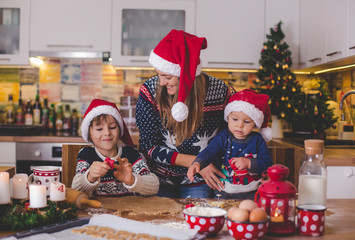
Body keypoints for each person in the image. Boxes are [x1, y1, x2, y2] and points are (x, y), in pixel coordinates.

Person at [135, 29, 234, 198]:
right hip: (158, 179)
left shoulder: (219, 92)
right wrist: (198, 163)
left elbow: (230, 137)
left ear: (185, 73)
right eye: (158, 75)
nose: (161, 82)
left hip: (199, 180)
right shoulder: (150, 90)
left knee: (195, 220)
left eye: (166, 76)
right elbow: (148, 146)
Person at [187, 89, 273, 199]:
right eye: (235, 119)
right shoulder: (223, 137)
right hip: (224, 192)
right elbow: (209, 152)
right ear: (227, 118)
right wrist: (198, 163)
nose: (240, 125)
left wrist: (249, 163)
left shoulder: (257, 139)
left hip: (252, 193)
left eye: (247, 122)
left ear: (255, 123)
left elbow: (267, 164)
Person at [72, 99, 159, 197]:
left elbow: (154, 187)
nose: (107, 133)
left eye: (112, 127)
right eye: (99, 129)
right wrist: (90, 177)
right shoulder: (86, 155)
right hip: (98, 211)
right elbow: (76, 190)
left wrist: (132, 180)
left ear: (120, 130)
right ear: (89, 134)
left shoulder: (131, 154)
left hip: (131, 209)